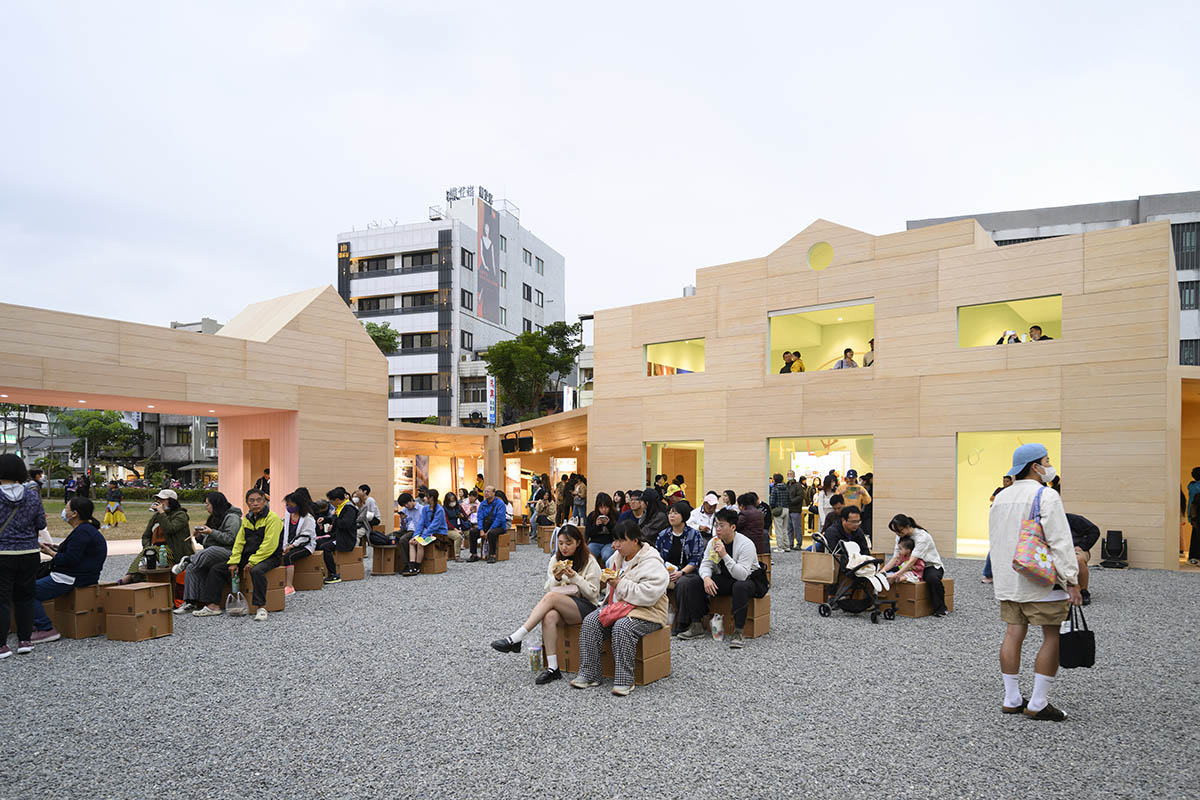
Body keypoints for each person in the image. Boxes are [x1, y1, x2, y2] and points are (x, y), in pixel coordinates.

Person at [988, 442, 1081, 722]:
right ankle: (1039, 702)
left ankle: (1011, 697)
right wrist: (1072, 579)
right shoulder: (1046, 495)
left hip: (1010, 579)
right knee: (1051, 635)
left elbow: (996, 539)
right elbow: (1060, 540)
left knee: (1013, 633)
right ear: (1034, 466)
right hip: (1041, 580)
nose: (1049, 465)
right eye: (1046, 460)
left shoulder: (1001, 497)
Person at [490, 524, 602, 685]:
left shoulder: (590, 561)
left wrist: (575, 577)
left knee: (551, 597)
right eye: (561, 542)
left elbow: (593, 594)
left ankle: (517, 637)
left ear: (578, 542)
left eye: (568, 543)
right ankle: (553, 668)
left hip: (586, 607)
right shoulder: (556, 560)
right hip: (564, 605)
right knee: (549, 616)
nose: (564, 547)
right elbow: (549, 586)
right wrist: (556, 578)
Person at [570, 520, 669, 696]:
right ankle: (589, 673)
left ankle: (625, 679)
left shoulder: (652, 561)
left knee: (623, 627)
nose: (615, 545)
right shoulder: (617, 558)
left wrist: (620, 584)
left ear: (635, 541)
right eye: (614, 540)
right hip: (619, 607)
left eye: (620, 541)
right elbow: (611, 591)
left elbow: (649, 595)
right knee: (591, 621)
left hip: (648, 611)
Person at [675, 507, 762, 648]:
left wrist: (724, 555)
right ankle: (696, 624)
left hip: (748, 580)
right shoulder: (713, 542)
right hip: (724, 577)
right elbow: (705, 564)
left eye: (722, 526)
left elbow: (742, 575)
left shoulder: (746, 544)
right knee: (693, 581)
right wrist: (706, 578)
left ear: (733, 527)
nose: (718, 529)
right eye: (716, 525)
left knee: (740, 586)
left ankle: (739, 631)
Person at [28, 495, 108, 643]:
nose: (64, 512)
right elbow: (74, 553)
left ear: (75, 513)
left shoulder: (82, 532)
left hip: (73, 577)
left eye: (66, 509)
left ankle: (46, 629)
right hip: (79, 575)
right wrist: (55, 548)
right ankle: (35, 622)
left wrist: (50, 553)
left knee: (27, 591)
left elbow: (70, 559)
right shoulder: (85, 530)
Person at [0, 455, 49, 656]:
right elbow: (41, 525)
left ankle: (2, 645)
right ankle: (25, 641)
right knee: (25, 598)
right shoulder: (32, 496)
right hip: (29, 552)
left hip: (3, 553)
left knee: (2, 599)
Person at [176, 491, 243, 614]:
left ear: (216, 504)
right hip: (215, 552)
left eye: (208, 504)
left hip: (231, 552)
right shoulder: (214, 517)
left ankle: (188, 559)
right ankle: (190, 602)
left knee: (210, 551)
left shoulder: (232, 518)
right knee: (192, 567)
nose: (206, 507)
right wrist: (199, 536)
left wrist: (211, 532)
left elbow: (231, 538)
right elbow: (208, 542)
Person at [223, 488, 284, 621]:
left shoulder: (272, 518)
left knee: (257, 571)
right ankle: (214, 605)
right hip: (250, 555)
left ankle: (260, 607)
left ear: (264, 501)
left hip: (270, 556)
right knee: (219, 567)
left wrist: (252, 562)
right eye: (252, 501)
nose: (255, 503)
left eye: (259, 500)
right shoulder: (247, 519)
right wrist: (233, 561)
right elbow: (239, 542)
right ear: (247, 503)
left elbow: (270, 545)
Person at [118, 489, 192, 584]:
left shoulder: (181, 515)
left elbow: (170, 529)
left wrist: (162, 513)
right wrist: (148, 548)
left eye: (162, 500)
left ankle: (126, 579)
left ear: (171, 501)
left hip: (174, 551)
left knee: (151, 552)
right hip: (155, 550)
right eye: (158, 500)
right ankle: (134, 580)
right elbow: (146, 536)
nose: (159, 502)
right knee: (149, 554)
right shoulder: (156, 517)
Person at [882, 514, 948, 615]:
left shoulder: (922, 536)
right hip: (908, 566)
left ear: (908, 526)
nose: (897, 534)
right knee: (890, 573)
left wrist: (897, 574)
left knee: (932, 579)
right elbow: (896, 557)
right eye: (895, 531)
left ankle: (941, 608)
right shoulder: (900, 536)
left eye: (899, 531)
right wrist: (882, 571)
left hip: (929, 565)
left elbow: (913, 560)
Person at [655, 501, 704, 589]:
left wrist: (681, 572)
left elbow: (696, 559)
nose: (671, 516)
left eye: (675, 513)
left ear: (684, 516)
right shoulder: (663, 534)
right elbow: (658, 556)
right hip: (666, 572)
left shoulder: (693, 534)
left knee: (682, 582)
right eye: (669, 513)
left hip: (688, 573)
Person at [276, 491, 316, 595]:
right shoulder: (289, 515)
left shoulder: (308, 518)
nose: (289, 507)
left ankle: (289, 586)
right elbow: (286, 532)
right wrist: (285, 546)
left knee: (289, 557)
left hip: (305, 545)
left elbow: (306, 537)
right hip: (290, 544)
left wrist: (292, 546)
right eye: (287, 505)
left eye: (291, 505)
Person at [318, 487, 358, 584]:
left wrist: (334, 517)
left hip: (345, 539)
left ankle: (333, 574)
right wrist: (325, 519)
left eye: (331, 501)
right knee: (318, 543)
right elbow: (336, 520)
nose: (330, 503)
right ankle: (323, 571)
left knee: (325, 547)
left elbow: (345, 524)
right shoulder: (341, 507)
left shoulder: (349, 509)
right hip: (338, 536)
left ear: (337, 500)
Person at [403, 488, 446, 576]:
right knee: (411, 542)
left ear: (432, 498)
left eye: (426, 497)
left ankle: (417, 567)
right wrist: (415, 536)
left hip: (439, 534)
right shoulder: (425, 509)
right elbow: (420, 524)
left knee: (420, 543)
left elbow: (434, 526)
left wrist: (422, 537)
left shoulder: (440, 510)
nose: (424, 498)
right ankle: (411, 567)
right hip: (428, 533)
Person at [1067, 513, 1099, 606]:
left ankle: (1084, 592)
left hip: (1076, 549)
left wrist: (1083, 546)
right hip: (1057, 551)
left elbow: (1094, 531)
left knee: (1078, 560)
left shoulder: (1074, 519)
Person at [469, 485, 507, 564]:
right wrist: (481, 529)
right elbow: (480, 517)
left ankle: (492, 555)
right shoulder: (483, 504)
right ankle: (474, 554)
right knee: (472, 532)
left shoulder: (500, 504)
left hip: (499, 526)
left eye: (488, 491)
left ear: (493, 493)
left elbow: (499, 519)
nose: (486, 493)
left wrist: (489, 530)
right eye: (485, 491)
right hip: (485, 525)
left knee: (491, 534)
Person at [585, 492, 617, 565]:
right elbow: (588, 533)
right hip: (595, 542)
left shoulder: (615, 515)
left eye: (606, 507)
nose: (604, 510)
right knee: (589, 555)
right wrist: (596, 526)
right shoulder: (592, 516)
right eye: (601, 507)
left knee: (606, 556)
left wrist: (609, 524)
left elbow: (617, 532)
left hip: (609, 542)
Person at [768, 473, 790, 552]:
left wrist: (772, 507)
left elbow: (772, 501)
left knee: (778, 529)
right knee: (785, 529)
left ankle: (780, 547)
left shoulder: (775, 488)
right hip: (786, 509)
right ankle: (787, 546)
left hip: (778, 510)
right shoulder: (786, 488)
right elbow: (789, 499)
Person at [442, 491, 466, 561]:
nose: (453, 502)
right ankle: (457, 556)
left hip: (460, 526)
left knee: (470, 534)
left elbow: (465, 516)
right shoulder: (443, 509)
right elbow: (446, 522)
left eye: (454, 500)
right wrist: (455, 529)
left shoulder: (458, 507)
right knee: (458, 537)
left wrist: (462, 516)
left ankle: (474, 554)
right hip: (448, 529)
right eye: (451, 501)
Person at [786, 474, 806, 550]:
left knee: (797, 527)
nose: (789, 476)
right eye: (788, 474)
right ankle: (790, 543)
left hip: (796, 509)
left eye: (790, 474)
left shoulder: (798, 485)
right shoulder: (786, 485)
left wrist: (791, 501)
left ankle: (799, 543)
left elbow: (801, 496)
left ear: (794, 475)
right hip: (788, 509)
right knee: (789, 528)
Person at [1187, 467, 1200, 566]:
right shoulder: (1196, 487)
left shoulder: (1191, 486)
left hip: (1193, 514)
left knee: (1195, 536)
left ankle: (1193, 557)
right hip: (1197, 514)